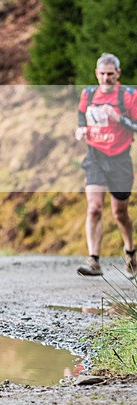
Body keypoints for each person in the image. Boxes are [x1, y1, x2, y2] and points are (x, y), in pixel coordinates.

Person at [74, 53, 137, 278]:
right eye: (102, 73)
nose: (105, 78)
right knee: (94, 208)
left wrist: (120, 119)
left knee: (119, 213)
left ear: (118, 74)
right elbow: (82, 114)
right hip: (95, 157)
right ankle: (94, 260)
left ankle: (130, 252)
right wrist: (81, 128)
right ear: (96, 73)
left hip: (120, 159)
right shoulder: (89, 94)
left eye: (110, 74)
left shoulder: (128, 96)